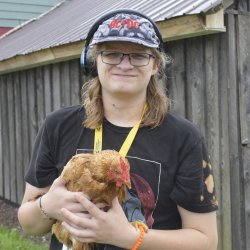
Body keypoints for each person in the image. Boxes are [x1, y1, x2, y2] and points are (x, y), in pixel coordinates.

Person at [18, 9, 218, 250]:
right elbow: (29, 222)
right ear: (93, 62)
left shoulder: (184, 138)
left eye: (138, 56)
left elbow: (205, 242)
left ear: (156, 65)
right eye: (111, 54)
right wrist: (47, 206)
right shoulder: (58, 126)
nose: (125, 64)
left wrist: (128, 237)